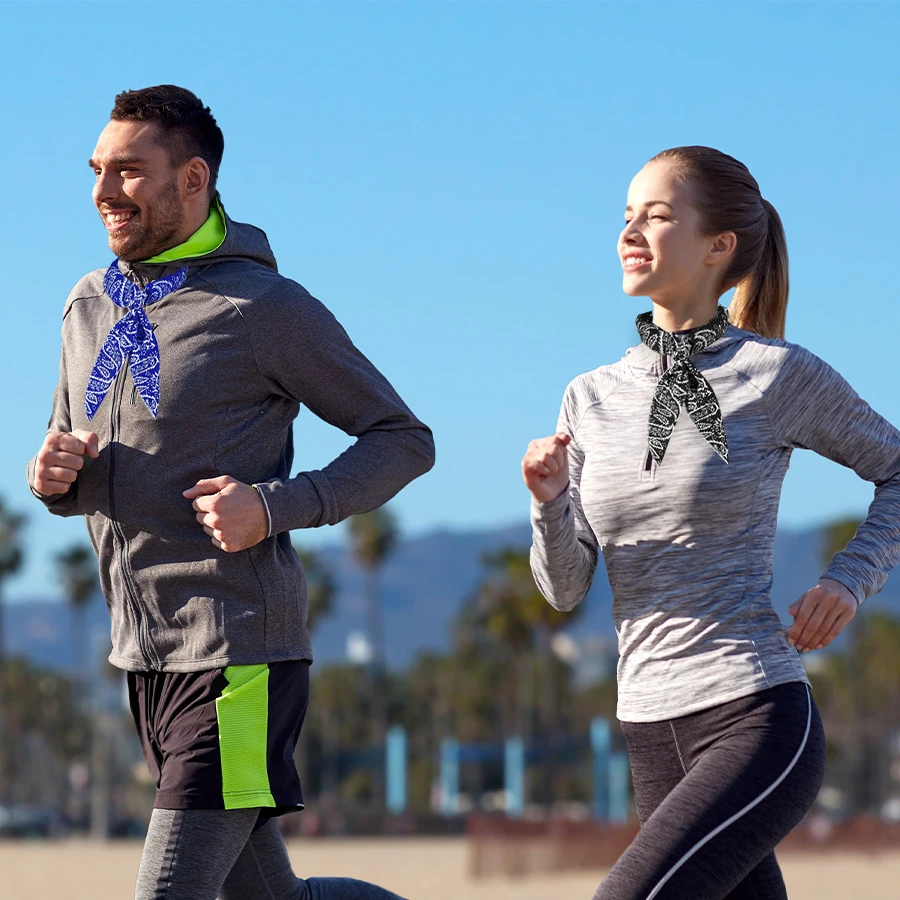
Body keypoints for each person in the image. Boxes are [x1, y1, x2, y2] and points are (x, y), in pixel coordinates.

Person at [26, 84, 435, 900]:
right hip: (143, 661)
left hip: (240, 657)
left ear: (193, 179)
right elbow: (77, 460)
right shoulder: (85, 304)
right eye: (97, 170)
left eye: (130, 171)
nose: (105, 191)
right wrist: (54, 481)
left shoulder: (264, 307)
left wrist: (275, 505)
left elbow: (403, 440)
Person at [522, 146, 900, 899]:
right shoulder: (588, 396)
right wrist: (548, 501)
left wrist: (851, 581)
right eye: (626, 216)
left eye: (657, 216)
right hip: (647, 727)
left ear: (718, 246)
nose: (631, 231)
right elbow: (565, 590)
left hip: (752, 713)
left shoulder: (775, 373)